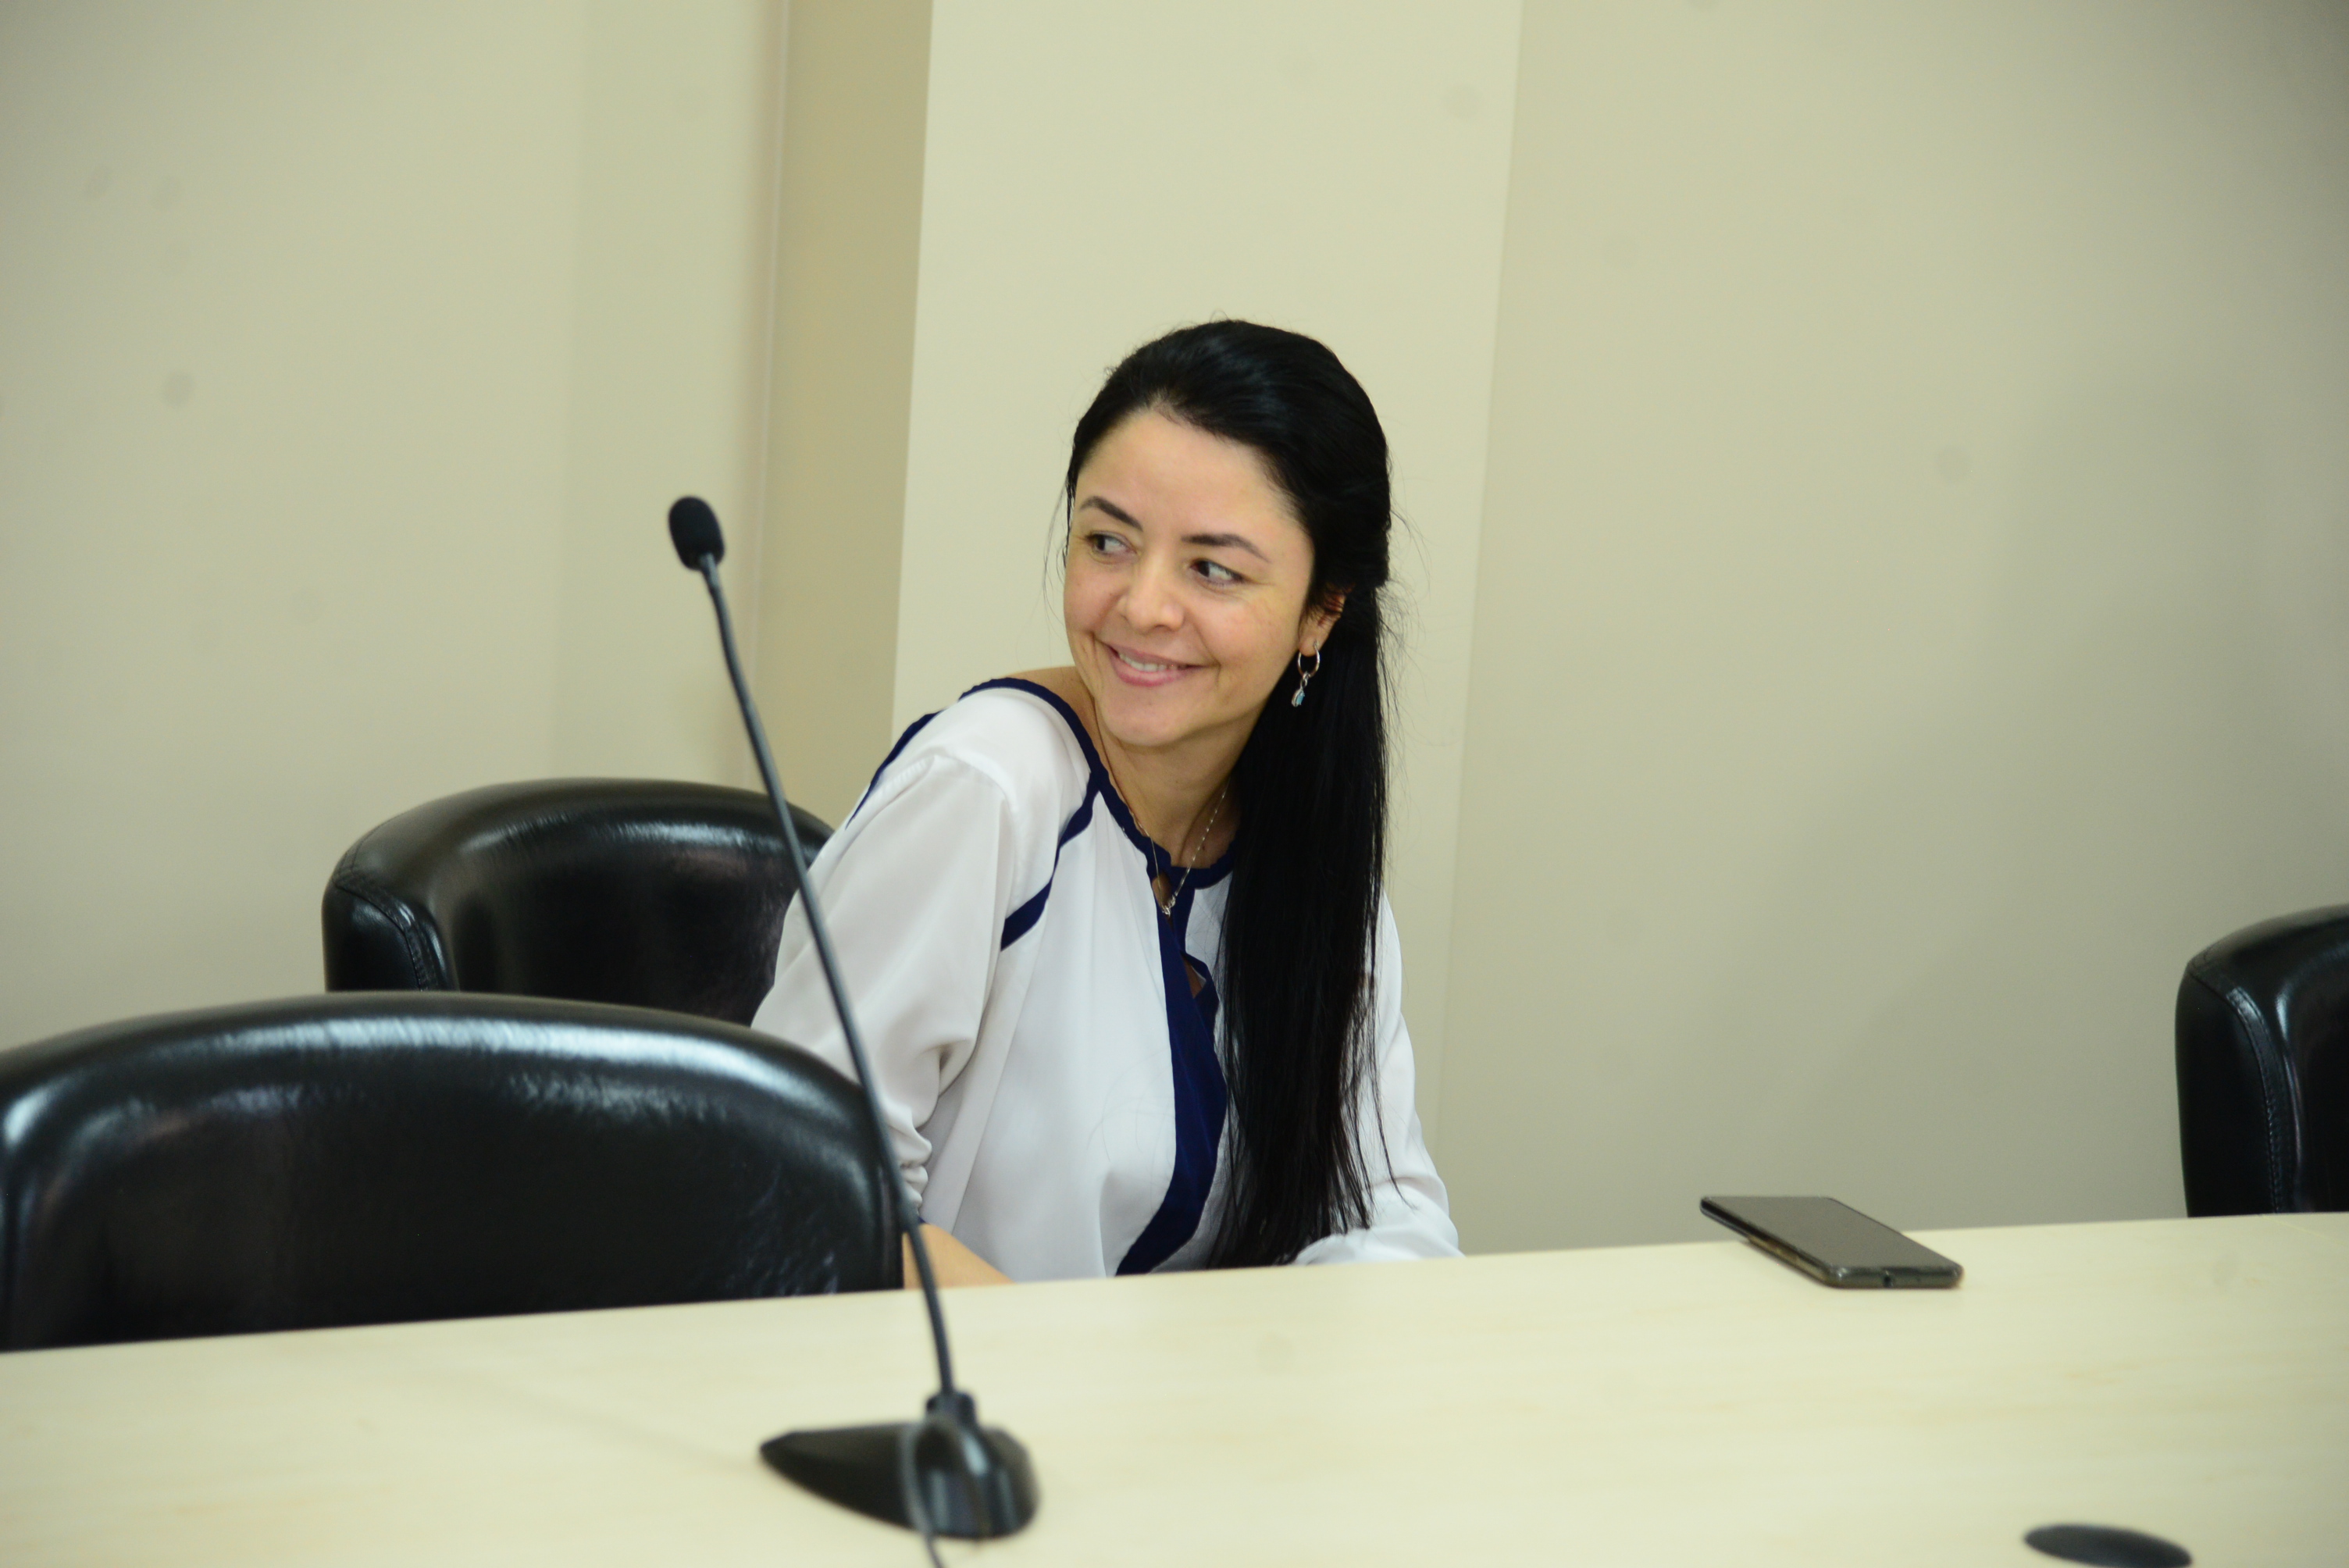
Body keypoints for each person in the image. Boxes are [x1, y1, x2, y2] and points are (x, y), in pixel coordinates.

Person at [752, 320, 1458, 1284]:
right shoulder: (987, 787)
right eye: (1107, 541)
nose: (1140, 606)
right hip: (935, 1376)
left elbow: (1391, 1219)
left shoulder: (1310, 851)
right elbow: (799, 1185)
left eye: (1212, 568)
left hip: (1181, 1380)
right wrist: (1062, 1366)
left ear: (1321, 610)